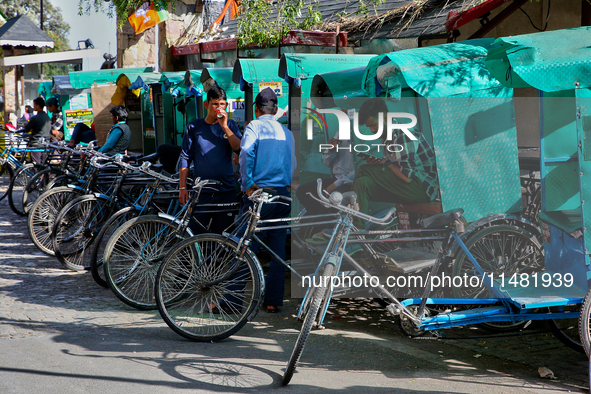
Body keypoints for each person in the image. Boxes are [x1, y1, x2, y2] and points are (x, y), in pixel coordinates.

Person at [239, 87, 296, 313]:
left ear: (256, 109)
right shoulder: (286, 132)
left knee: (245, 246)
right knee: (277, 250)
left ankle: (230, 301)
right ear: (274, 111)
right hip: (283, 195)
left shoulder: (254, 126)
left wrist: (247, 183)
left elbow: (245, 153)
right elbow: (293, 163)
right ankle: (273, 301)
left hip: (260, 196)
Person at [352, 98, 439, 228]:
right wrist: (379, 163)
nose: (372, 130)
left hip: (422, 189)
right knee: (362, 183)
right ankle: (355, 229)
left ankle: (351, 226)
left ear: (386, 118)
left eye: (374, 125)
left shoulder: (404, 134)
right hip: (407, 187)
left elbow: (407, 176)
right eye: (369, 127)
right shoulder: (387, 139)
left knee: (364, 169)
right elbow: (395, 170)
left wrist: (386, 164)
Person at [178, 86, 242, 234]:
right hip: (202, 191)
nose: (218, 108)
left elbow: (239, 149)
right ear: (207, 105)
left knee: (224, 236)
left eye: (222, 104)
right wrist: (182, 187)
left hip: (226, 190)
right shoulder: (194, 126)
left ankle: (219, 258)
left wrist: (224, 126)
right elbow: (185, 156)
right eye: (215, 104)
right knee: (196, 234)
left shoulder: (230, 125)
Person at [296, 110, 355, 216]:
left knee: (331, 198)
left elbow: (357, 169)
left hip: (349, 182)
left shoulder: (359, 133)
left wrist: (334, 185)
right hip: (337, 178)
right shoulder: (341, 129)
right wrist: (331, 150)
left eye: (344, 111)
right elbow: (327, 162)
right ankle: (319, 219)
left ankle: (324, 222)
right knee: (302, 191)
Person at [22, 97, 51, 163]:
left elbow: (26, 128)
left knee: (37, 164)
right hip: (46, 143)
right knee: (44, 164)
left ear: (38, 106)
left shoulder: (35, 118)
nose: (33, 106)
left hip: (36, 144)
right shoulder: (47, 117)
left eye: (34, 105)